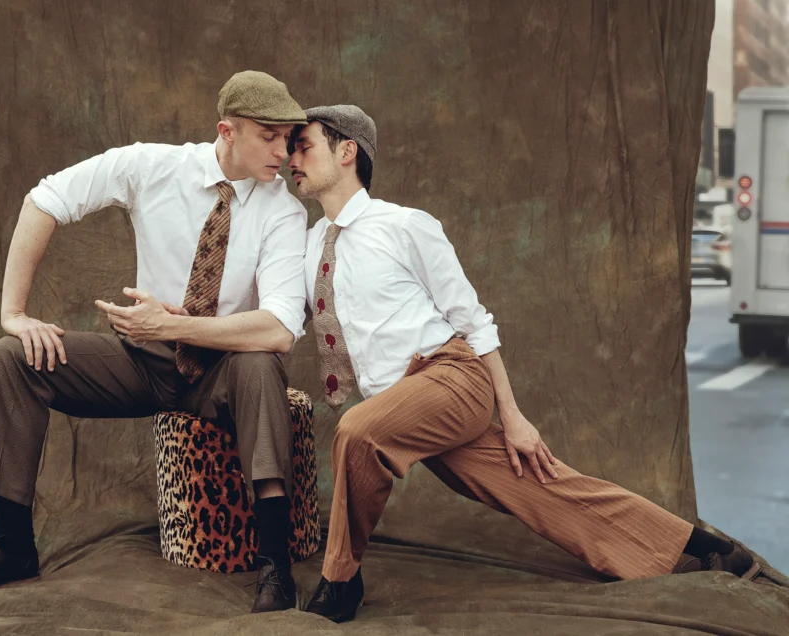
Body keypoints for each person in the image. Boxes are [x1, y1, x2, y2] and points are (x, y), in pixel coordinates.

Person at [286, 105, 760, 624]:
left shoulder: (404, 226)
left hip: (451, 377)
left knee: (357, 433)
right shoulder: (313, 247)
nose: (293, 158)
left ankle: (340, 580)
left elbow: (474, 322)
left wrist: (512, 415)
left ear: (346, 150)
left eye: (303, 144)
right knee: (536, 484)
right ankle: (693, 547)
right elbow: (283, 321)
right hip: (402, 404)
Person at [0, 71, 309, 614]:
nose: (282, 150)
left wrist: (170, 326)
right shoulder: (152, 166)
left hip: (224, 368)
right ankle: (11, 544)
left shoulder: (285, 212)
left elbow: (278, 328)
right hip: (141, 363)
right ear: (227, 130)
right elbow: (46, 199)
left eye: (289, 138)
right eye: (268, 135)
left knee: (261, 364)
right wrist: (13, 313)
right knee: (12, 358)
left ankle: (275, 567)